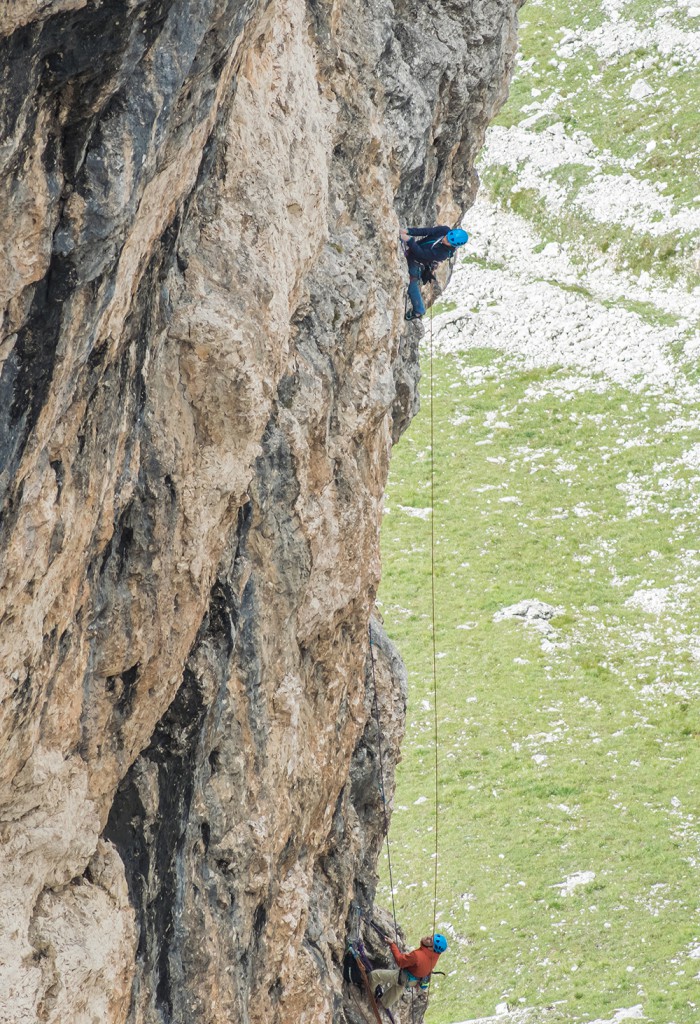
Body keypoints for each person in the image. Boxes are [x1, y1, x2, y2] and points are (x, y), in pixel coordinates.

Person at [400, 226, 469, 320]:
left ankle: (419, 310)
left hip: (417, 262)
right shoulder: (444, 230)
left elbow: (422, 254)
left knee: (412, 284)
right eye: (447, 237)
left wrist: (409, 240)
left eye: (448, 241)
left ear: (454, 245)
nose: (445, 239)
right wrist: (408, 231)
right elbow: (426, 231)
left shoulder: (444, 253)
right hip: (413, 253)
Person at [368, 933, 448, 1008]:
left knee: (374, 975)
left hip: (405, 976)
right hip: (413, 981)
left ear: (431, 948)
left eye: (430, 941)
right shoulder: (435, 956)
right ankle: (383, 1003)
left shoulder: (418, 956)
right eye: (431, 936)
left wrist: (392, 944)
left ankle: (369, 994)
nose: (428, 937)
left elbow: (400, 961)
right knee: (398, 987)